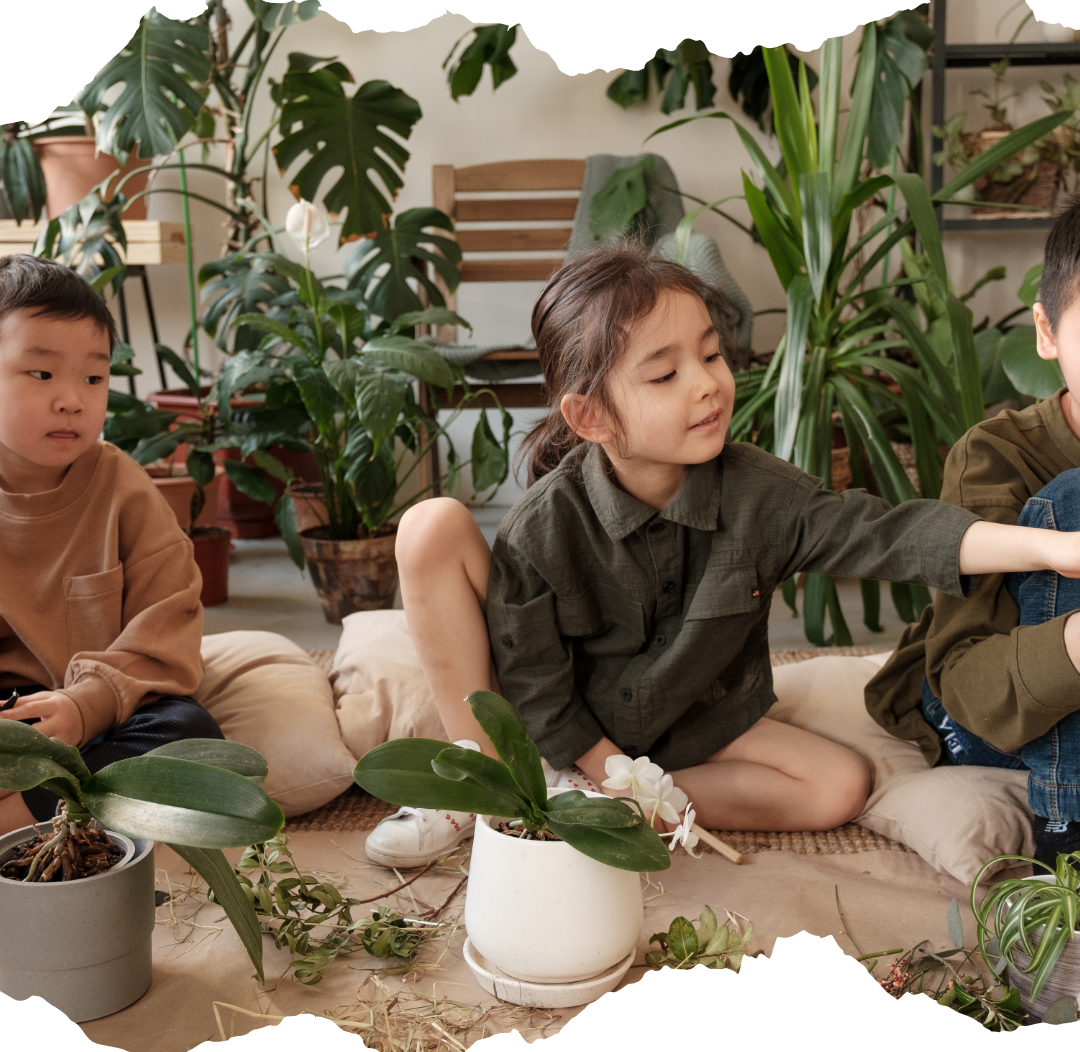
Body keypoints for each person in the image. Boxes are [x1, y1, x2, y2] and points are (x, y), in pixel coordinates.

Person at [365, 242, 1080, 868]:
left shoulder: (759, 494)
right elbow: (536, 682)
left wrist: (1053, 547)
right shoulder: (544, 526)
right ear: (592, 416)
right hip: (555, 725)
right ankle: (481, 783)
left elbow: (890, 535)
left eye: (710, 354)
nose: (708, 383)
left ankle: (582, 806)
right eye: (665, 374)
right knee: (429, 525)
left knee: (840, 786)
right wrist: (602, 760)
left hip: (683, 729)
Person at [866, 195, 1080, 870]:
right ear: (1046, 333)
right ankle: (1066, 846)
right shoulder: (998, 456)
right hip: (986, 711)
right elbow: (968, 684)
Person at [0, 254, 222, 835]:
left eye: (93, 378)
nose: (72, 399)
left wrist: (86, 705)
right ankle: (66, 809)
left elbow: (168, 618)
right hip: (7, 717)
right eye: (41, 374)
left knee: (191, 733)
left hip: (100, 710)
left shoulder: (122, 486)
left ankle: (20, 818)